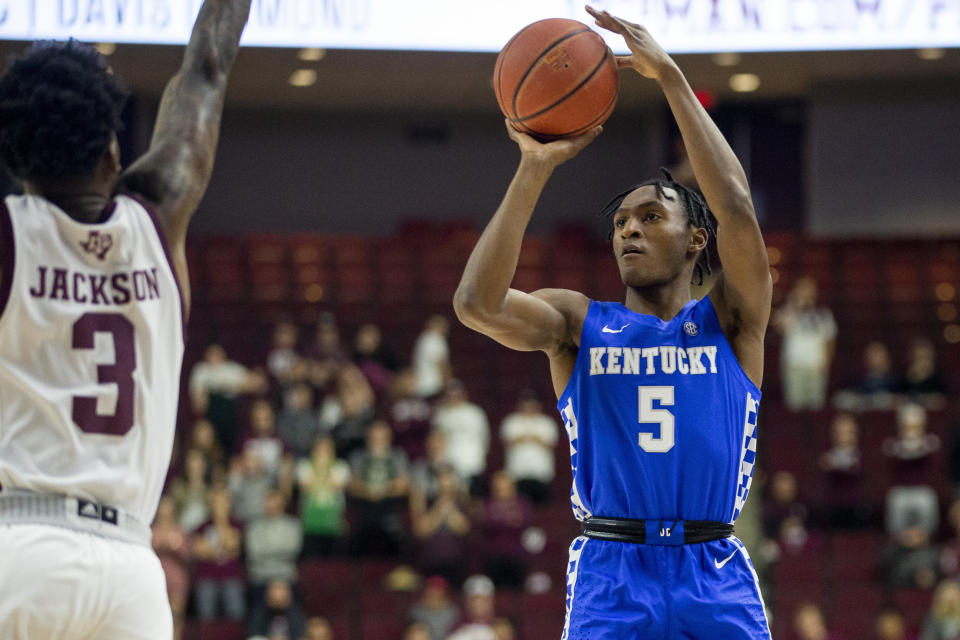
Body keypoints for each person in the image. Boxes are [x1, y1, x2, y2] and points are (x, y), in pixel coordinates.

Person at [453, 7, 772, 638]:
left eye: (652, 216)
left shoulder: (732, 321)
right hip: (612, 569)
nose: (629, 227)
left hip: (713, 567)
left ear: (695, 240)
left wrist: (673, 79)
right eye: (622, 221)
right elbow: (476, 306)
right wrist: (534, 167)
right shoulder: (578, 322)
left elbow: (735, 204)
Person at [0, 1, 252, 637]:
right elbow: (207, 70)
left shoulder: (10, 236)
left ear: (16, 163)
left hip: (16, 549)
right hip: (129, 576)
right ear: (112, 155)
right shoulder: (159, 219)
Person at [773, 276, 836, 411]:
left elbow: (830, 339)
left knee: (817, 406)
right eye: (802, 288)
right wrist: (795, 305)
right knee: (794, 407)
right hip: (794, 366)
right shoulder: (787, 310)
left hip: (816, 366)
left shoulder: (823, 313)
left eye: (809, 289)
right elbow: (779, 327)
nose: (806, 292)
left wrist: (826, 361)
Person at [500, 389, 559, 505]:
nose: (528, 408)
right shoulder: (512, 421)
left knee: (542, 507)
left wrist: (529, 438)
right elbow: (507, 442)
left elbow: (551, 444)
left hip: (541, 472)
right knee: (520, 506)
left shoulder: (546, 422)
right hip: (518, 472)